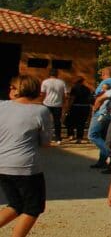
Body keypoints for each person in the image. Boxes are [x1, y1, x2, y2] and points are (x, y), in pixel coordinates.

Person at [0, 75, 52, 237]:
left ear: (19, 90)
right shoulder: (41, 111)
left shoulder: (1, 106)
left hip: (2, 164)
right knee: (33, 208)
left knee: (15, 204)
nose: (10, 89)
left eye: (13, 87)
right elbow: (45, 142)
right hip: (26, 167)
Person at [88, 67, 111, 168]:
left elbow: (99, 97)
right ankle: (102, 161)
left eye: (101, 74)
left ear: (104, 74)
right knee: (104, 137)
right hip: (110, 113)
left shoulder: (105, 82)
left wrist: (95, 109)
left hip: (101, 113)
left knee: (92, 135)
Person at [40, 69, 68, 145]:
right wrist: (64, 103)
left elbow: (42, 93)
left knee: (45, 121)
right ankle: (58, 138)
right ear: (57, 74)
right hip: (58, 104)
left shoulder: (45, 82)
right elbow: (65, 95)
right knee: (57, 122)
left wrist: (40, 102)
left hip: (47, 103)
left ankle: (46, 137)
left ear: (49, 74)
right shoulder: (62, 82)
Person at [67, 77, 92, 144]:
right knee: (81, 123)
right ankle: (79, 138)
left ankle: (71, 135)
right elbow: (89, 99)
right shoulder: (87, 89)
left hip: (76, 106)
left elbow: (72, 98)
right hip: (85, 107)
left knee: (71, 121)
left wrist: (68, 107)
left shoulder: (74, 88)